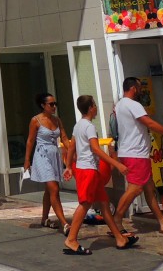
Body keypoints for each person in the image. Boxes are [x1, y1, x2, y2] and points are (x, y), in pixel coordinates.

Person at [112, 77, 163, 236]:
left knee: (149, 188)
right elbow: (149, 123)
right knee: (136, 188)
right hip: (136, 153)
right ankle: (116, 220)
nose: (141, 91)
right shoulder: (134, 105)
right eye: (139, 88)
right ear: (133, 88)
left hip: (132, 152)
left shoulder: (119, 105)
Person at [62, 94, 137, 255]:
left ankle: (119, 238)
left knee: (104, 205)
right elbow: (95, 149)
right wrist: (116, 163)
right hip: (88, 170)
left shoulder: (78, 125)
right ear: (90, 108)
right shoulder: (89, 127)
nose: (96, 107)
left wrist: (68, 166)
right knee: (84, 204)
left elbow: (71, 147)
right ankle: (71, 239)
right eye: (95, 104)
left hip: (88, 170)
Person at [24, 92, 71, 233]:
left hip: (54, 155)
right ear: (43, 105)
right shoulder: (35, 121)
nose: (54, 106)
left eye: (55, 104)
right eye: (51, 104)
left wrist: (73, 154)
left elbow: (64, 137)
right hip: (42, 155)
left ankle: (44, 218)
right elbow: (30, 140)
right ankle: (65, 223)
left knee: (50, 189)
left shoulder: (57, 120)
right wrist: (27, 160)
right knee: (54, 189)